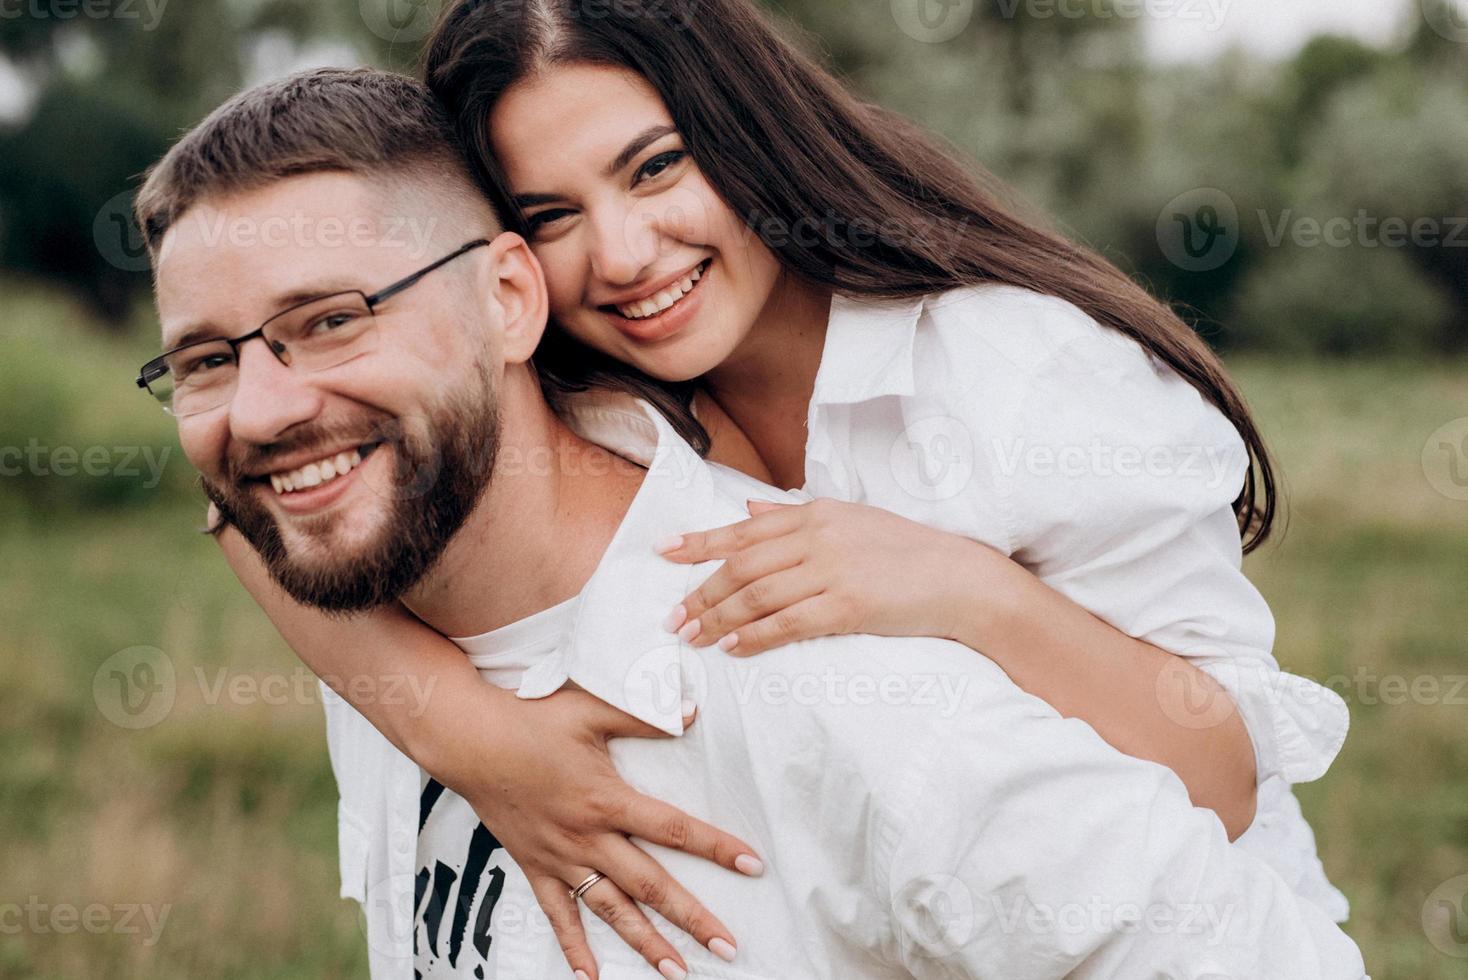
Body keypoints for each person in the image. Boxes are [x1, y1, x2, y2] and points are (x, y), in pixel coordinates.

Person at [133, 66, 1366, 980]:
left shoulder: (1010, 377)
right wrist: (468, 731)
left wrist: (972, 592)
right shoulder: (427, 520)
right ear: (521, 263)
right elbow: (261, 494)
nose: (618, 252)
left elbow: (1224, 773)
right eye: (551, 211)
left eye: (657, 164)